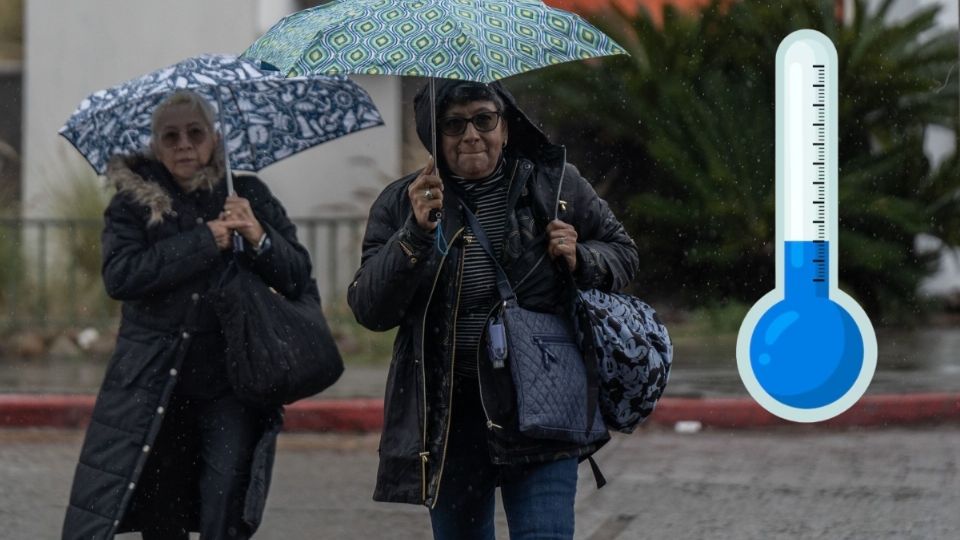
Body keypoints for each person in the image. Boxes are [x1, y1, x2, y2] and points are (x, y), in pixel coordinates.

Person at [347, 80, 639, 539]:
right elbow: (369, 308)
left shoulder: (554, 185)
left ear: (504, 125)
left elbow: (622, 251)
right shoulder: (403, 202)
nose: (471, 135)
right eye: (454, 124)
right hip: (449, 420)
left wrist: (584, 257)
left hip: (540, 405)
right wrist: (414, 236)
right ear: (433, 134)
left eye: (484, 119)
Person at [62, 90, 313, 540]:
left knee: (225, 503)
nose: (183, 144)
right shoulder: (132, 206)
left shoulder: (247, 193)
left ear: (214, 139)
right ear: (155, 146)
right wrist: (205, 240)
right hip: (153, 384)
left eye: (194, 133)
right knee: (163, 514)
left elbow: (296, 275)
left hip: (231, 383)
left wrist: (257, 235)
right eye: (170, 135)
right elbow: (121, 276)